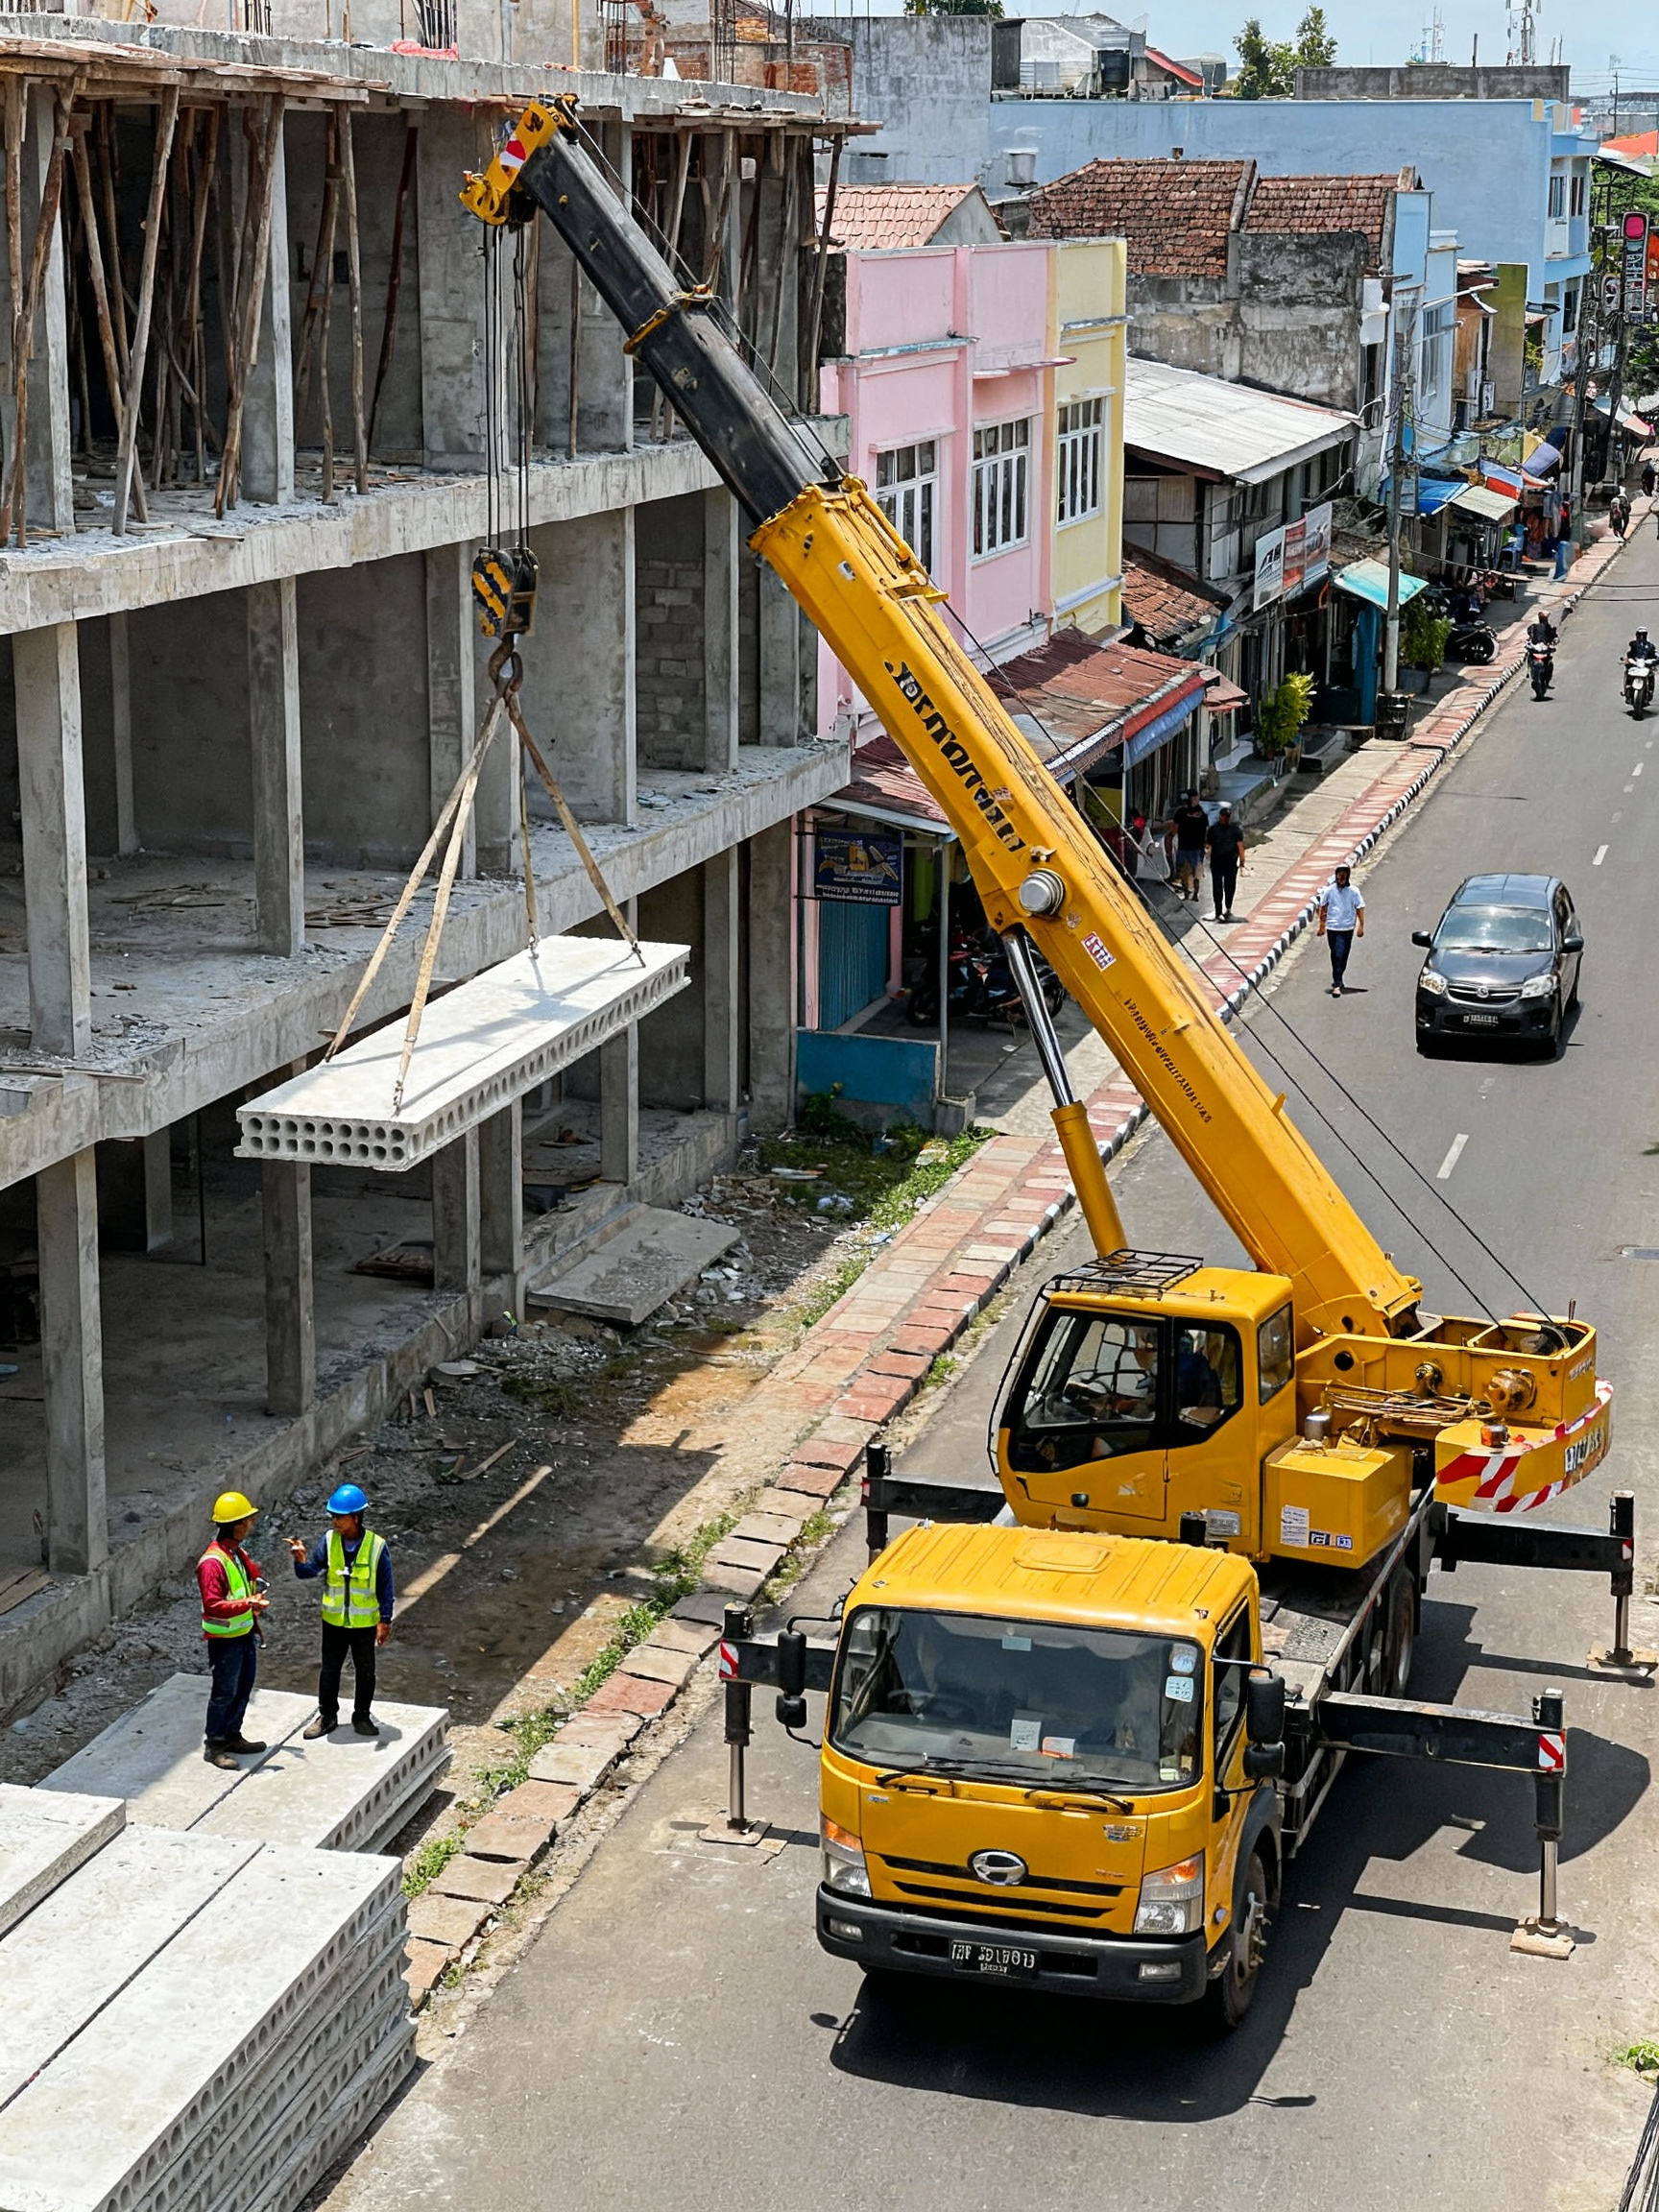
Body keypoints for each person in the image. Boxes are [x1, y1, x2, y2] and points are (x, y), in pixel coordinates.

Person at [288, 1483, 395, 1739]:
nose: (334, 1521)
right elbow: (310, 1571)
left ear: (356, 1517)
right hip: (334, 1622)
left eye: (339, 1517)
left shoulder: (376, 1547)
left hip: (363, 1624)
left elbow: (385, 1586)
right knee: (330, 1669)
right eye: (333, 1516)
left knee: (365, 1671)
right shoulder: (329, 1541)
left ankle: (362, 1716)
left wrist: (385, 1620)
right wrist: (300, 1560)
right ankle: (327, 1715)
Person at [198, 1491, 270, 1769]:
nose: (250, 1525)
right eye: (245, 1521)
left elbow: (245, 1579)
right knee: (224, 1691)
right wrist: (247, 1603)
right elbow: (213, 1604)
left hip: (243, 1634)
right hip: (225, 1640)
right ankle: (215, 1744)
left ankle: (232, 1735)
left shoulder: (236, 1554)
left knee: (243, 1687)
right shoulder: (212, 1563)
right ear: (234, 1525)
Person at [1316, 864, 1365, 998]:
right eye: (1339, 874)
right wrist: (1321, 926)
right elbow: (1322, 908)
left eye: (1344, 874)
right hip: (1332, 927)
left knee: (1342, 955)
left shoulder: (1354, 892)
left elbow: (1360, 908)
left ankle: (1338, 979)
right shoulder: (1329, 891)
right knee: (1336, 953)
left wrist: (1361, 926)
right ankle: (1337, 982)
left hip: (1347, 928)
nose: (1341, 877)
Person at [1206, 802, 1245, 922]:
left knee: (1229, 887)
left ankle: (1228, 908)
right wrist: (1207, 856)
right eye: (1223, 815)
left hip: (1230, 863)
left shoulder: (1235, 830)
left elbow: (1240, 846)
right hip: (1217, 862)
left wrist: (1242, 861)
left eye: (1227, 816)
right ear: (1220, 816)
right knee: (1217, 887)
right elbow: (1209, 845)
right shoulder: (1213, 830)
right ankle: (1218, 910)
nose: (1225, 818)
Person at [1171, 791, 1209, 902]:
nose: (1197, 800)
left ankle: (1196, 894)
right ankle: (1186, 892)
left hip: (1197, 847)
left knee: (1196, 872)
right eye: (1195, 798)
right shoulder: (1181, 811)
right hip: (1183, 845)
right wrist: (1176, 836)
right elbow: (1174, 825)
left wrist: (1206, 844)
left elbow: (1206, 830)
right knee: (1183, 871)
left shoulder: (1202, 813)